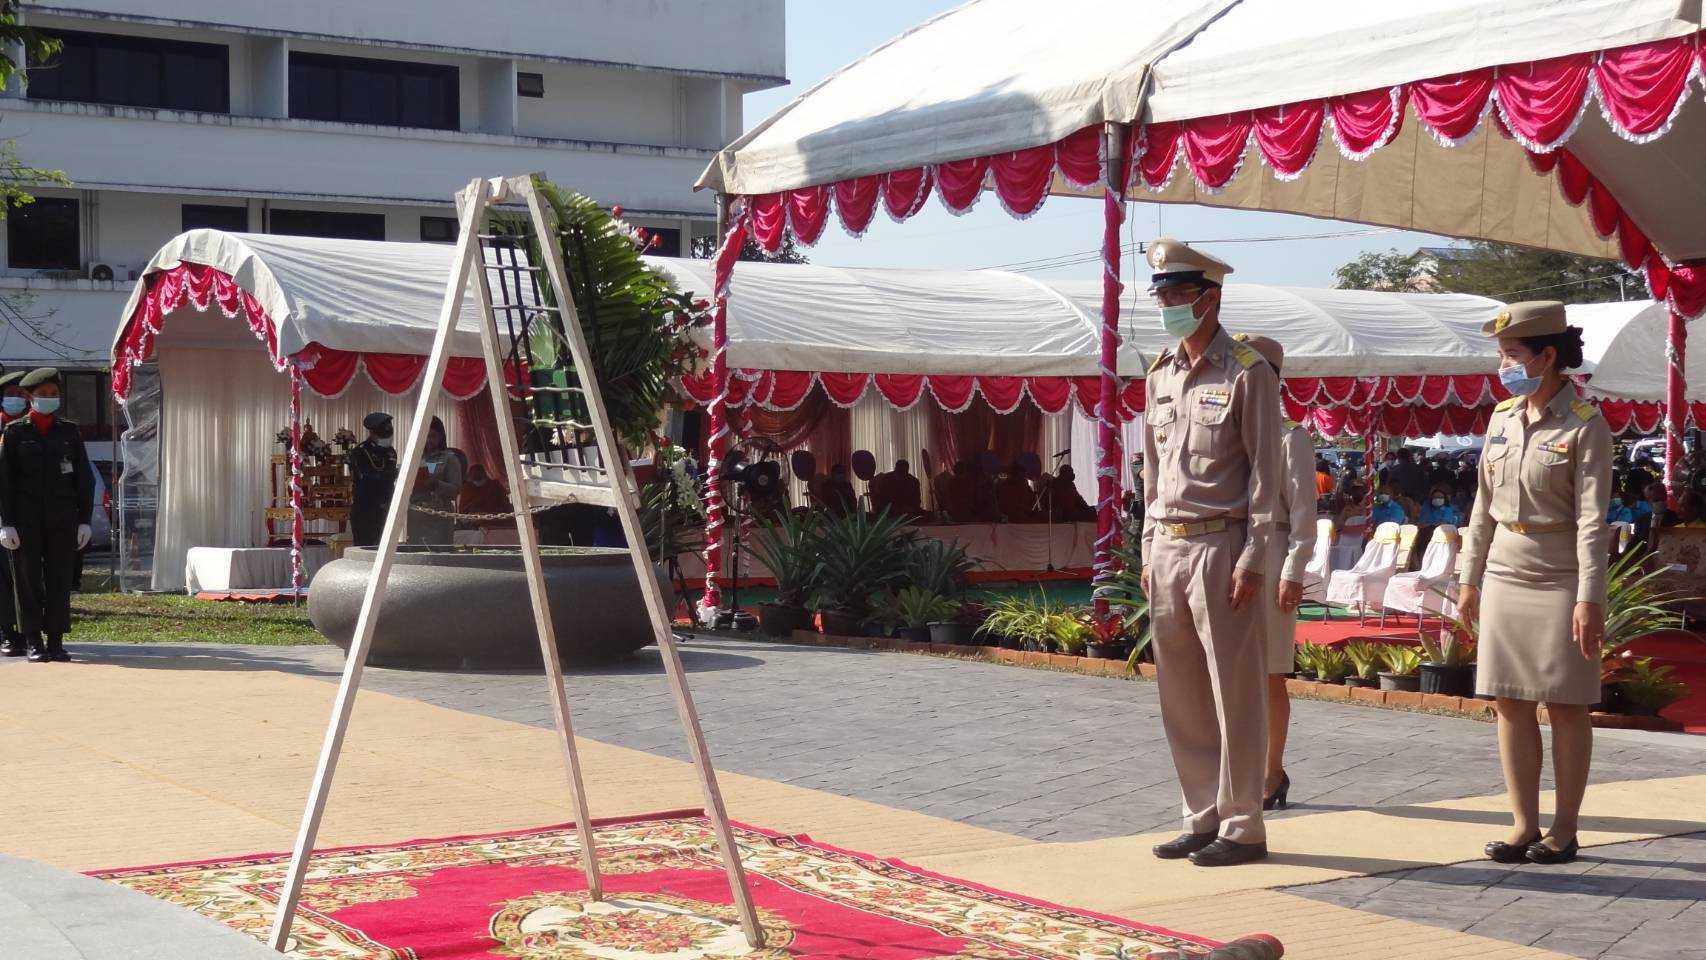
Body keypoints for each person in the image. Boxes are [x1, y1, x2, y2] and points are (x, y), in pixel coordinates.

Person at [1139, 238, 1282, 867]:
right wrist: (1147, 546)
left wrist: (1256, 553)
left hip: (1223, 544)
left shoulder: (1246, 370)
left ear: (1211, 298)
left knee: (1236, 690)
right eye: (1163, 296)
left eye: (1179, 295)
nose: (1169, 305)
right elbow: (1150, 471)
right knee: (1183, 691)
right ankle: (1202, 814)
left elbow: (1265, 475)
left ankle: (1244, 823)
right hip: (1168, 544)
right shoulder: (1160, 373)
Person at [1457, 302, 1608, 866]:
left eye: (1513, 355)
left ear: (1548, 356)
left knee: (1567, 703)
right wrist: (1468, 578)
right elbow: (1482, 508)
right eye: (1502, 355)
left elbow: (1594, 519)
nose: (1505, 366)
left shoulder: (1587, 425)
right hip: (1504, 569)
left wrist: (1590, 596)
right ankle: (1523, 823)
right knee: (1508, 700)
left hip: (1562, 572)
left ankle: (1564, 830)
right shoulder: (1501, 418)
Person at [1236, 335, 1313, 814]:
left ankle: (1271, 771)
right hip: (1230, 559)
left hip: (1273, 557)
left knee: (1269, 676)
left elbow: (1304, 514)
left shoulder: (1291, 437)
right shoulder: (1230, 434)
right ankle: (1239, 768)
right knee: (1230, 675)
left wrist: (1294, 570)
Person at [0, 369, 94, 663]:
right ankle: (33, 641)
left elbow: (84, 479)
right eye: (43, 395)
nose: (49, 400)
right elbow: (5, 482)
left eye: (54, 395)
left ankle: (55, 641)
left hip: (62, 519)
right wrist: (7, 523)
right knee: (26, 581)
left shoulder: (69, 431)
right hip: (25, 521)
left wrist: (84, 520)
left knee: (59, 580)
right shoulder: (14, 433)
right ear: (30, 397)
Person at [0, 371, 28, 658]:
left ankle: (24, 632)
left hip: (24, 514)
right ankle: (8, 633)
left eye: (21, 395)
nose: (16, 400)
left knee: (23, 577)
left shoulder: (29, 428)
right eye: (12, 394)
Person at [407, 416, 464, 545]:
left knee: (439, 556)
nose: (428, 440)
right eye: (424, 436)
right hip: (416, 516)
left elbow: (456, 489)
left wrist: (436, 484)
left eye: (432, 436)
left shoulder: (450, 458)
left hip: (439, 517)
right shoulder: (412, 458)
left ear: (440, 436)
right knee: (416, 556)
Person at [349, 412, 400, 547]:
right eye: (383, 435)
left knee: (386, 547)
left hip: (386, 506)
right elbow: (365, 480)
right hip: (366, 509)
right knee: (365, 548)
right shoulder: (360, 452)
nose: (387, 439)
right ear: (372, 433)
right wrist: (393, 474)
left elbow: (388, 480)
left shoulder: (391, 452)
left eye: (389, 435)